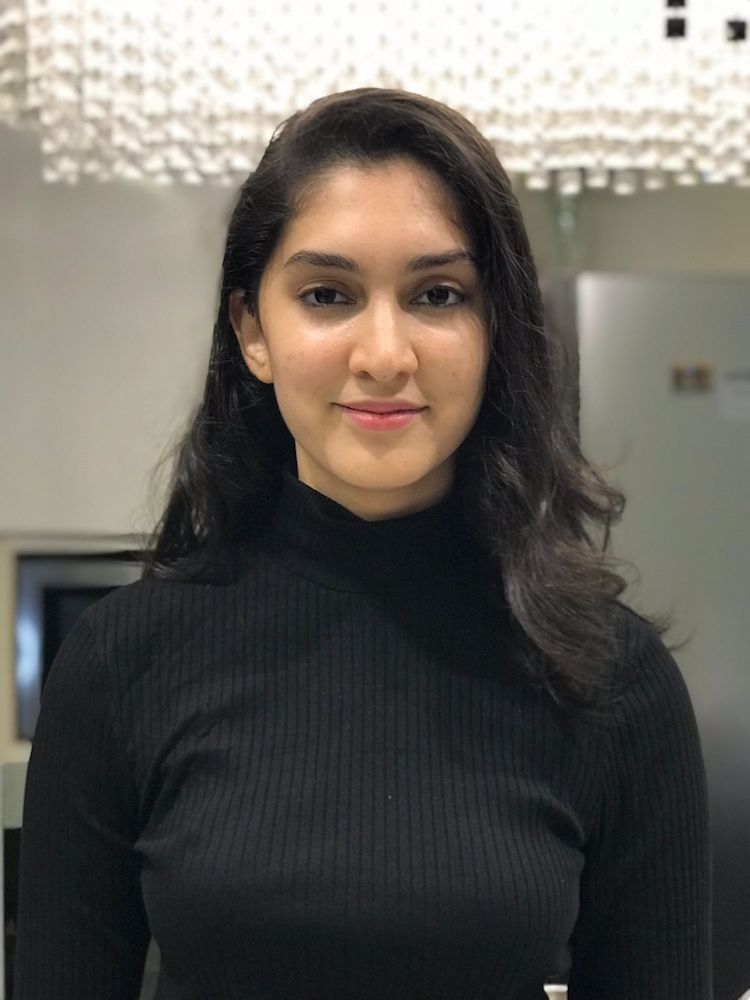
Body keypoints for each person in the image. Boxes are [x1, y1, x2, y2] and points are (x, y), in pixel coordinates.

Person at [14, 88, 711, 999]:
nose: (385, 354)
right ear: (253, 331)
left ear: (495, 328)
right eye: (327, 295)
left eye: (438, 295)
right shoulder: (119, 664)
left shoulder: (613, 677)